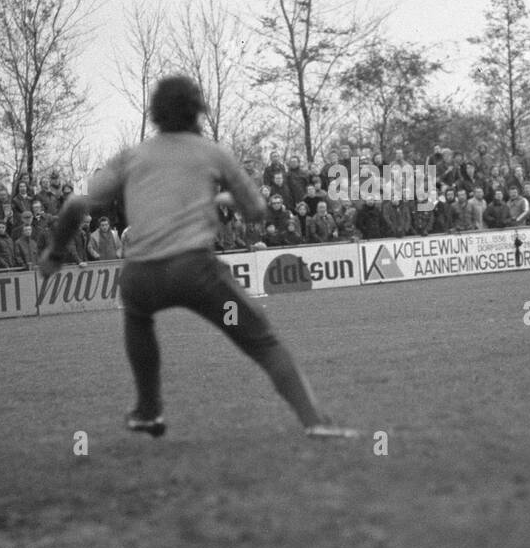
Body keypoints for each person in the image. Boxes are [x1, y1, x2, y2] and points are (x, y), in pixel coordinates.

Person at [37, 76, 355, 440]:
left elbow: (76, 203)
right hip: (195, 272)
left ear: (154, 112)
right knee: (262, 341)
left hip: (140, 276)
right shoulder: (211, 153)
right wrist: (224, 201)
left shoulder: (132, 156)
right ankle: (315, 421)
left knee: (138, 318)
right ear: (198, 109)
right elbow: (256, 210)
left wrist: (55, 253)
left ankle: (148, 411)